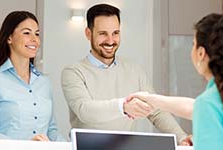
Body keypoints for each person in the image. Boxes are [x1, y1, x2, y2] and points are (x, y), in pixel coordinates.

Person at [131, 13, 223, 149]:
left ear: (201, 53)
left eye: (193, 44)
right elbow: (197, 108)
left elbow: (204, 108)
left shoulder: (209, 103)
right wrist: (151, 99)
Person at [61, 3, 189, 144]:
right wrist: (123, 107)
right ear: (88, 33)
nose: (110, 41)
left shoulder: (134, 71)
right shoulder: (73, 72)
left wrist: (181, 137)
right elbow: (85, 110)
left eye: (115, 33)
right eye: (103, 34)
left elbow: (156, 111)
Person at [0, 11, 62, 141]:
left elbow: (51, 130)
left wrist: (70, 145)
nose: (35, 39)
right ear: (9, 38)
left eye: (37, 34)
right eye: (27, 33)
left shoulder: (44, 82)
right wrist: (25, 145)